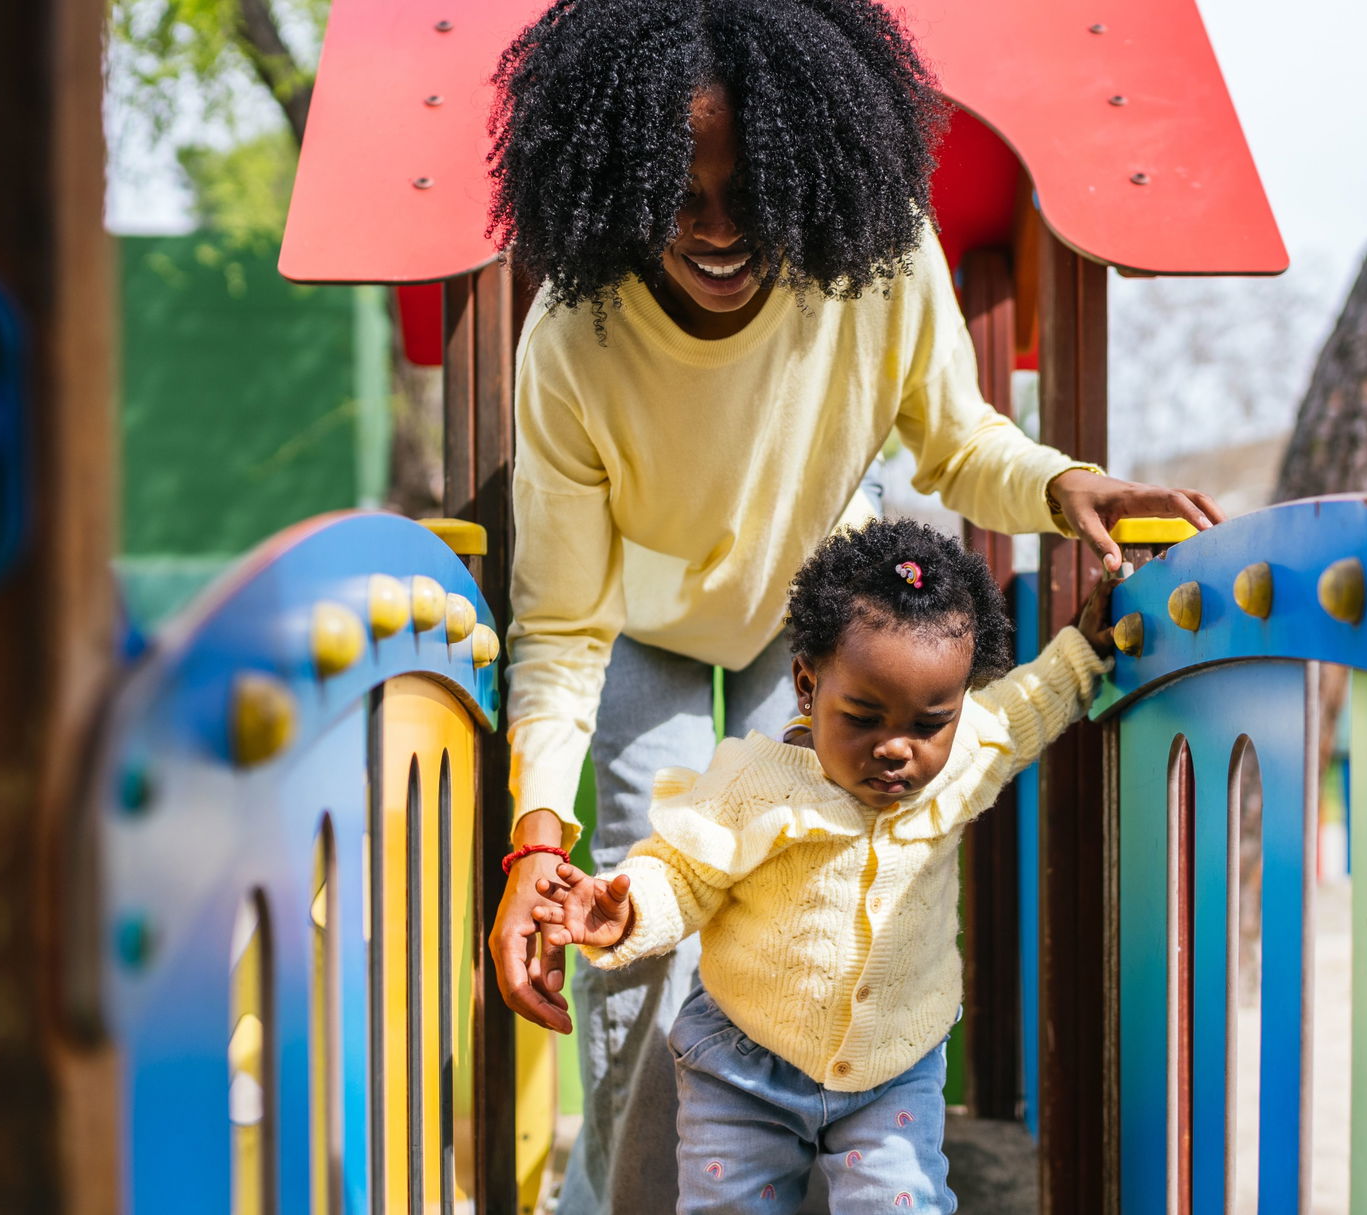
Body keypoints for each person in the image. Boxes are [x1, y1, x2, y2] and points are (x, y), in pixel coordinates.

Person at [480, 2, 1223, 1210]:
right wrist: (533, 842)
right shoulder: (576, 337)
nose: (719, 234)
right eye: (680, 195)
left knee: (807, 875)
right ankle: (623, 1198)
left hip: (809, 625)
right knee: (638, 921)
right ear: (618, 182)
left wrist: (1063, 481)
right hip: (638, 626)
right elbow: (562, 632)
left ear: (808, 170)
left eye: (752, 193)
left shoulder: (876, 259)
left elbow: (956, 439)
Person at [530, 518, 1118, 1214]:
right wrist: (627, 909)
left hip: (894, 1064)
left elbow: (1026, 709)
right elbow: (682, 872)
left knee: (903, 1204)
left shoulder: (963, 757)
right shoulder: (756, 783)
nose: (898, 747)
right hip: (743, 1064)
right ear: (807, 687)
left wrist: (1083, 653)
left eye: (930, 722)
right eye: (864, 717)